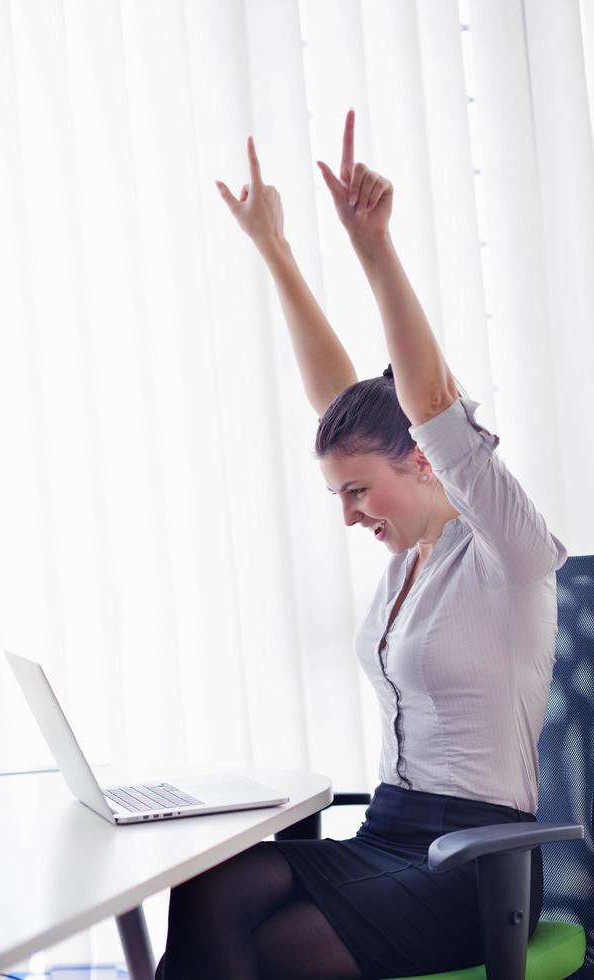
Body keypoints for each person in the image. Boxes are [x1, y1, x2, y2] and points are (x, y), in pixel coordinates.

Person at [155, 109, 568, 979]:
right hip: (386, 831)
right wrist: (274, 249)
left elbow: (424, 404)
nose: (348, 515)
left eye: (356, 492)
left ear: (425, 460)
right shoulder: (403, 565)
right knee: (206, 890)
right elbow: (342, 399)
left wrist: (373, 247)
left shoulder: (508, 552)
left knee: (274, 949)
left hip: (479, 864)